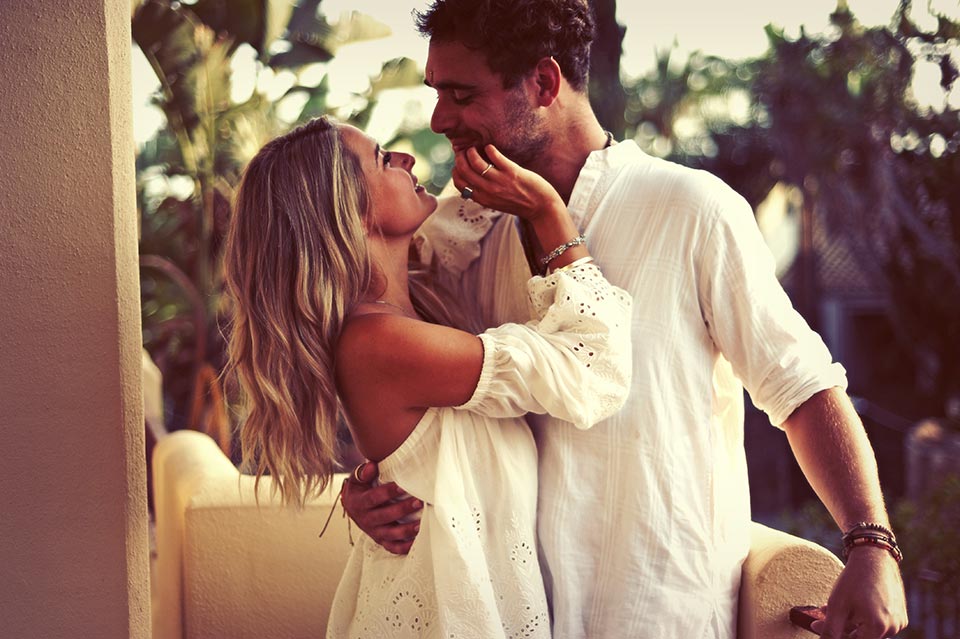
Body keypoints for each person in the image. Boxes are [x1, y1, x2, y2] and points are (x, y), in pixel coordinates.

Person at [341, 1, 909, 638]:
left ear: (544, 83)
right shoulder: (463, 233)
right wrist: (371, 488)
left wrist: (870, 545)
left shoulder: (690, 207)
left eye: (462, 94)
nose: (440, 118)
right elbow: (385, 366)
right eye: (437, 92)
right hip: (511, 615)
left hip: (658, 609)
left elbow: (801, 387)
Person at [222, 116, 633, 638]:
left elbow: (463, 219)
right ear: (347, 208)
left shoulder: (416, 309)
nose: (408, 159)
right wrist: (549, 212)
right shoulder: (380, 343)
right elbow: (592, 365)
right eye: (381, 159)